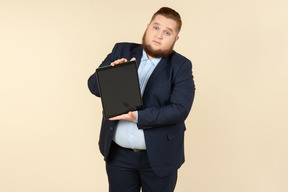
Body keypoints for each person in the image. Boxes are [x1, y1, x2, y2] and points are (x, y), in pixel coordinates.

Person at [88, 7, 195, 192]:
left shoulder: (181, 66)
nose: (159, 35)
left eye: (167, 32)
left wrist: (138, 117)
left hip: (159, 157)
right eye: (155, 28)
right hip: (118, 156)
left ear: (175, 39)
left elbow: (179, 109)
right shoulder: (121, 49)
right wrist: (111, 74)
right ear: (147, 28)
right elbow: (93, 87)